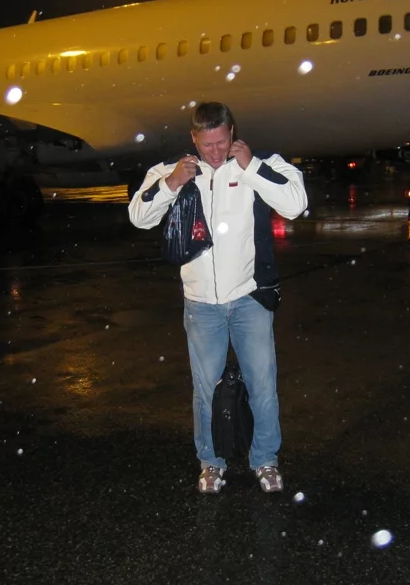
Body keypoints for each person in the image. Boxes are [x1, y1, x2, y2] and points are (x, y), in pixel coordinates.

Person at [128, 102, 308, 494]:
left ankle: (265, 460)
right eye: (206, 144)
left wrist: (253, 168)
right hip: (201, 305)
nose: (214, 152)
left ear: (232, 134)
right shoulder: (173, 172)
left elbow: (296, 204)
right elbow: (138, 216)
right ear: (194, 138)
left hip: (249, 299)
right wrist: (172, 183)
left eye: (221, 142)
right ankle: (211, 463)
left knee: (263, 384)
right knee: (205, 389)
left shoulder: (257, 164)